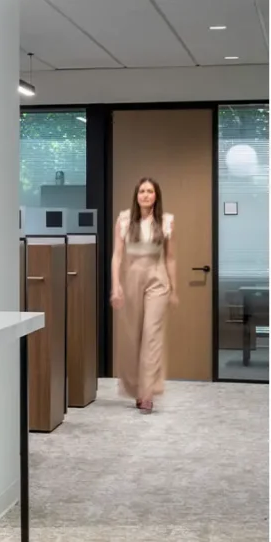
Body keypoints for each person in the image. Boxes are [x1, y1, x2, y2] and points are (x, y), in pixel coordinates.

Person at [110, 175, 177, 413]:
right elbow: (117, 256)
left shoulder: (166, 221)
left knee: (152, 335)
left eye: (149, 191)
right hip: (131, 280)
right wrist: (115, 286)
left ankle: (147, 393)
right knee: (132, 337)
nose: (145, 195)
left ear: (156, 195)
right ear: (136, 196)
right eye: (141, 191)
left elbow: (170, 257)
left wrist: (173, 288)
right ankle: (136, 389)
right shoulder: (125, 219)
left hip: (157, 281)